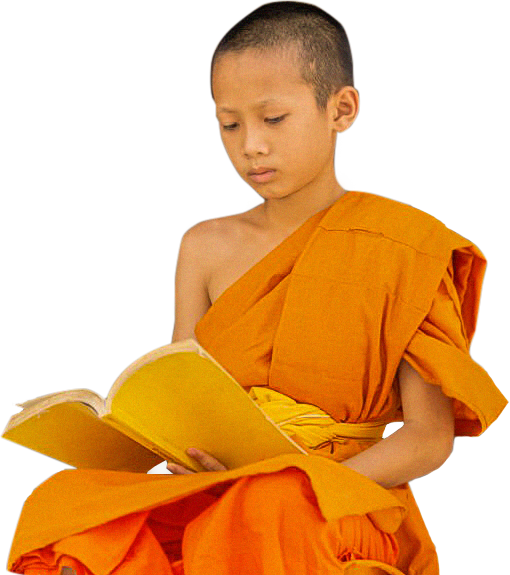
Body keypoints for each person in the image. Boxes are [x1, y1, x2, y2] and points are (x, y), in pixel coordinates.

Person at [7, 2, 507, 574]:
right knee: (65, 506)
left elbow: (428, 439)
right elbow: (179, 394)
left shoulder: (407, 248)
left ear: (341, 110)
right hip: (226, 483)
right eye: (230, 124)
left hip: (339, 496)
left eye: (273, 119)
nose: (251, 146)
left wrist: (300, 479)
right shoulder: (205, 247)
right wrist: (179, 453)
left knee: (268, 504)